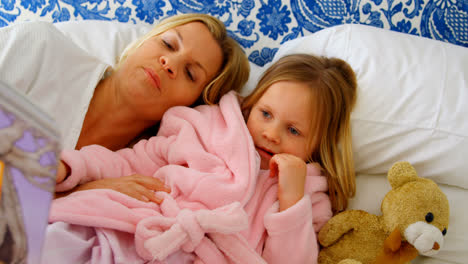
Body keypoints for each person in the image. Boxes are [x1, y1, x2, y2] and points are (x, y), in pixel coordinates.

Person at [47, 53, 357, 263]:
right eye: (265, 114)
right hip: (128, 229)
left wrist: (290, 199)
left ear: (318, 143)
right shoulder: (204, 127)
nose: (272, 134)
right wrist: (73, 167)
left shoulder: (309, 197)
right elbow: (129, 163)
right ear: (253, 103)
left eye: (293, 130)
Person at [0, 13, 250, 201]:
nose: (169, 62)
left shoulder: (144, 175)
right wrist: (82, 193)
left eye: (190, 73)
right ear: (141, 43)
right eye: (168, 44)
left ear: (192, 107)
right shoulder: (39, 47)